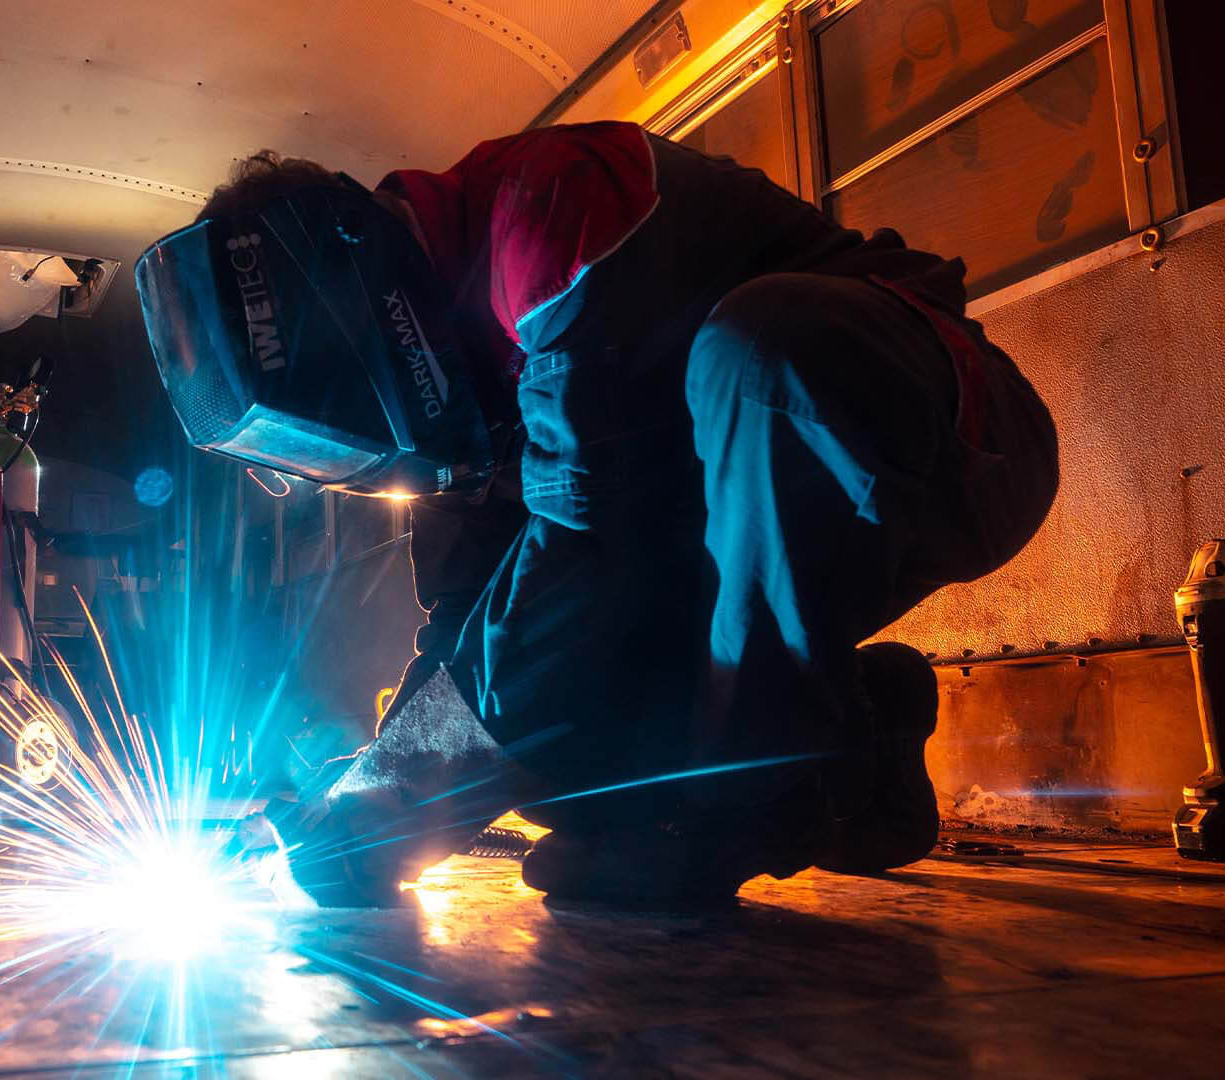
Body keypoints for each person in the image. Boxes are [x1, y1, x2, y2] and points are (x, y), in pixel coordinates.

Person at [136, 120, 1058, 907]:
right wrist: (366, 795)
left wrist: (391, 805)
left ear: (354, 303)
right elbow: (470, 626)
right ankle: (858, 747)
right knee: (562, 765)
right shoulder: (456, 403)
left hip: (951, 442)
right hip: (737, 530)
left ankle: (747, 802)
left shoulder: (548, 210)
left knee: (764, 354)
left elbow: (585, 548)